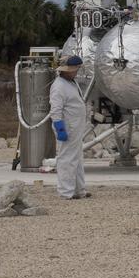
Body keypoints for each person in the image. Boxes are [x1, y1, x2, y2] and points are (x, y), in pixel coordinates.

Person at [49, 55, 89, 199]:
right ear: (65, 70)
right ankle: (66, 191)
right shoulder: (59, 86)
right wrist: (60, 128)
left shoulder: (71, 82)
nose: (76, 71)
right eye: (74, 69)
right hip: (67, 127)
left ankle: (79, 190)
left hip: (75, 126)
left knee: (77, 158)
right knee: (67, 159)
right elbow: (56, 110)